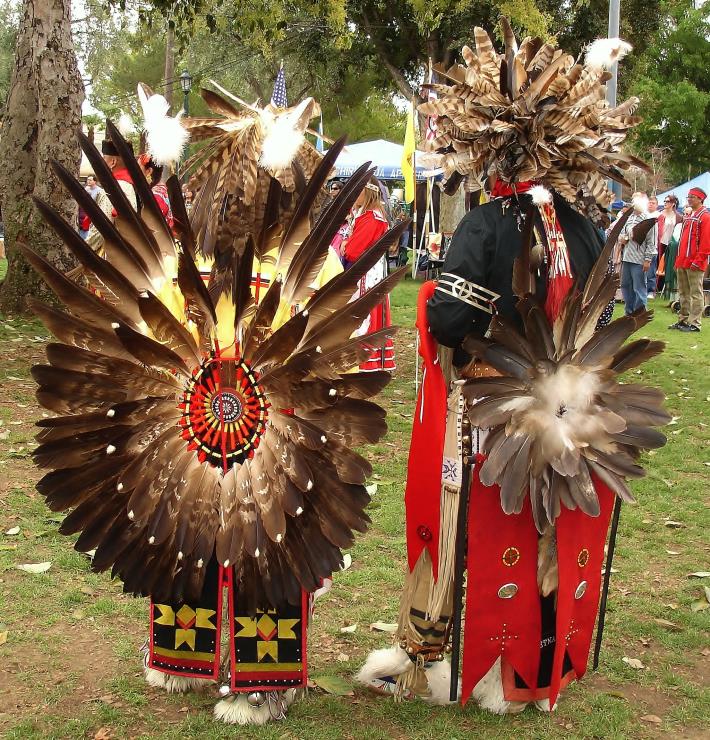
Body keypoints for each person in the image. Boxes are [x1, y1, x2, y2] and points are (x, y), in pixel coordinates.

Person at [358, 22, 667, 716]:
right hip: (577, 414)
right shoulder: (586, 226)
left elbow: (446, 322)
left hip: (494, 415)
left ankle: (481, 664)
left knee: (489, 533)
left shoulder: (490, 222)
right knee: (551, 527)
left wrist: (444, 306)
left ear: (490, 149)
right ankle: (537, 672)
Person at [342, 179, 396, 371]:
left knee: (364, 317)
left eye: (358, 191)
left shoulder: (372, 217)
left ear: (368, 192)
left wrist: (344, 245)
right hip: (366, 273)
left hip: (366, 276)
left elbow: (354, 251)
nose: (354, 195)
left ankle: (365, 359)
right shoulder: (364, 215)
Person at [670, 187, 710, 332]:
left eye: (692, 197)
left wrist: (698, 261)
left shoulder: (705, 216)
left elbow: (706, 243)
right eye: (688, 196)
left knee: (695, 293)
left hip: (694, 262)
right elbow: (683, 241)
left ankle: (695, 323)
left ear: (700, 199)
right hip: (683, 260)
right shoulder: (689, 216)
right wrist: (678, 260)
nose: (689, 199)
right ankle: (683, 320)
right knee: (683, 293)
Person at [619, 192, 657, 313]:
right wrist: (623, 238)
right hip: (627, 257)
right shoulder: (629, 218)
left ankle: (640, 312)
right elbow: (621, 234)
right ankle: (629, 311)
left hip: (639, 259)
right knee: (625, 285)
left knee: (639, 287)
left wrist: (647, 260)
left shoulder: (648, 220)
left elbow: (652, 242)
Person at [656, 195, 681, 294]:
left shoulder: (678, 217)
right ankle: (656, 287)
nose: (665, 203)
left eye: (667, 201)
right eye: (665, 201)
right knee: (658, 264)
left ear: (673, 203)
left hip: (672, 243)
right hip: (660, 242)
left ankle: (666, 288)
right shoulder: (659, 215)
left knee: (668, 265)